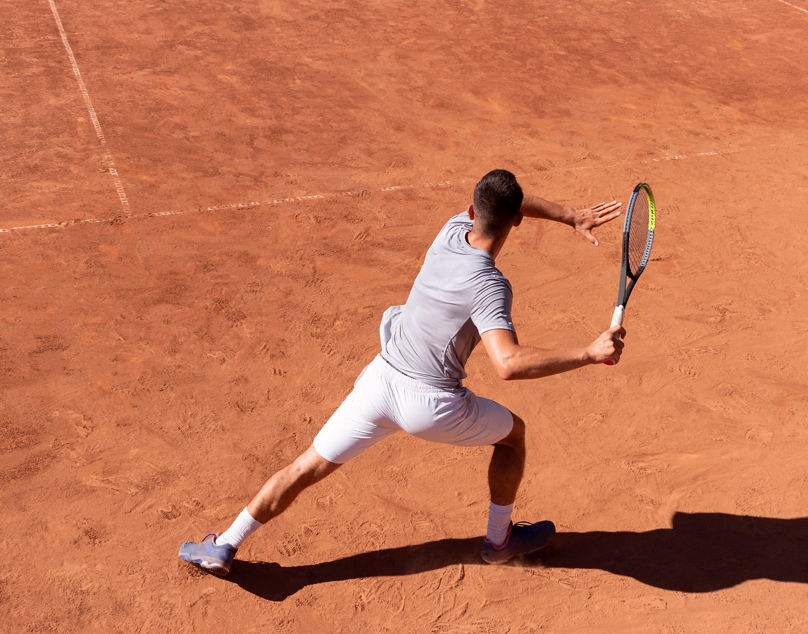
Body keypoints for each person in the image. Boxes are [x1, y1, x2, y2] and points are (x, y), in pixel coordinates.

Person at [179, 169, 625, 576]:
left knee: (308, 465)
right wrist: (588, 353)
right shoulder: (490, 285)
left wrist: (570, 215)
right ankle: (498, 540)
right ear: (517, 223)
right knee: (513, 436)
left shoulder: (450, 232)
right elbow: (506, 364)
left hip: (378, 382)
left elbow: (507, 202)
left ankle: (223, 543)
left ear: (472, 212)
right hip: (431, 406)